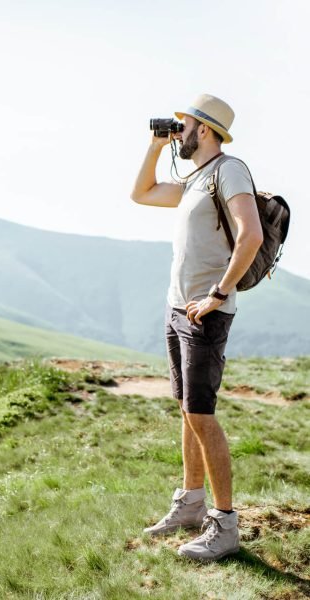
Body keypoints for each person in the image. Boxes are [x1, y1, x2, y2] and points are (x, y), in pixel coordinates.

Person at [130, 94, 263, 561]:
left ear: (203, 130)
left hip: (206, 312)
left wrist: (219, 294)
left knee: (202, 414)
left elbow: (252, 234)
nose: (177, 131)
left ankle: (224, 525)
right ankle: (189, 505)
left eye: (183, 125)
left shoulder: (229, 171)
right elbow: (141, 193)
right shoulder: (194, 180)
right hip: (177, 309)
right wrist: (153, 146)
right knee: (188, 411)